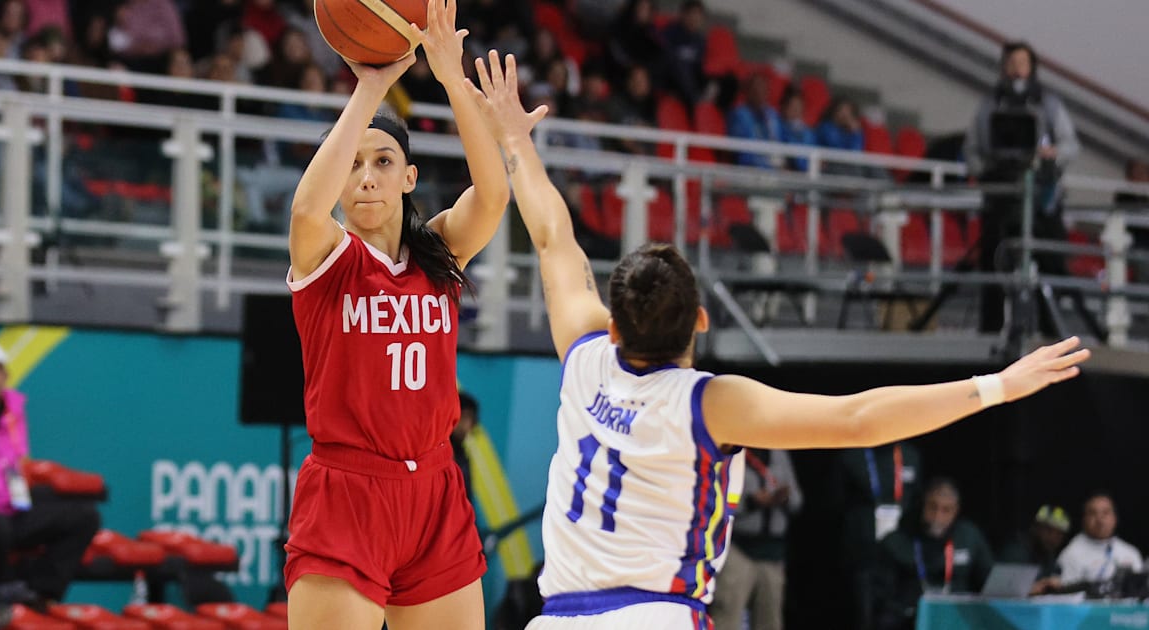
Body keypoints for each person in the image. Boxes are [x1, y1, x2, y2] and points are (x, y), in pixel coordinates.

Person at [464, 50, 1089, 629]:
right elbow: (858, 419)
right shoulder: (710, 402)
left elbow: (552, 237)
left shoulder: (583, 353)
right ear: (701, 322)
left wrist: (514, 139)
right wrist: (997, 385)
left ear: (615, 322)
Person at [282, 0, 510, 627]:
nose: (367, 178)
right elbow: (306, 211)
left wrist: (450, 78)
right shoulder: (328, 257)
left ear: (409, 177)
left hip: (434, 489)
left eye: (383, 163)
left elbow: (493, 195)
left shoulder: (437, 254)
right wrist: (372, 85)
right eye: (355, 163)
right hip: (346, 492)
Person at [0, 341, 101, 619]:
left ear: (4, 377)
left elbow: (13, 462)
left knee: (84, 517)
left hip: (7, 507)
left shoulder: (11, 412)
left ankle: (38, 591)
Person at [963, 41, 1102, 339]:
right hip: (1000, 197)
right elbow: (972, 149)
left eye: (1023, 63)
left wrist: (1051, 154)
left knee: (1050, 267)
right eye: (1012, 63)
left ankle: (1053, 335)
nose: (1017, 69)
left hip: (1042, 201)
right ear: (1004, 66)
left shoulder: (1048, 103)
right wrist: (984, 170)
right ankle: (989, 332)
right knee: (993, 266)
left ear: (1032, 67)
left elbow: (1070, 145)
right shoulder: (989, 104)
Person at [872, 479, 993, 630]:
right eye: (933, 507)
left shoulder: (968, 536)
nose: (937, 516)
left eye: (946, 510)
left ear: (956, 511)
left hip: (956, 618)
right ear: (923, 505)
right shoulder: (898, 541)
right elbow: (882, 596)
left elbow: (988, 578)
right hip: (910, 619)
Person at [709, 449, 802, 630]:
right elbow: (716, 504)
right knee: (727, 616)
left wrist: (784, 497)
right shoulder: (732, 451)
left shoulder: (779, 454)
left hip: (772, 554)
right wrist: (752, 502)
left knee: (770, 621)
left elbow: (798, 500)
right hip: (738, 549)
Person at [833, 441, 921, 630]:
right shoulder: (853, 456)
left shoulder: (910, 455)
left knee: (898, 617)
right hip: (863, 554)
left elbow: (916, 501)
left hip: (900, 556)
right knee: (864, 617)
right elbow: (836, 502)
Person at [1054, 492, 1143, 589]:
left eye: (1106, 513)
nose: (1100, 519)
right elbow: (1067, 596)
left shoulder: (1131, 552)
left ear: (1115, 518)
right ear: (1084, 520)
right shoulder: (1070, 554)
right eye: (1093, 513)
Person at [998, 504, 1070, 592]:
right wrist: (1028, 589)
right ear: (1035, 527)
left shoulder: (1048, 555)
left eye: (1059, 534)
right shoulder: (1016, 551)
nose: (1053, 538)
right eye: (1048, 530)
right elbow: (1000, 590)